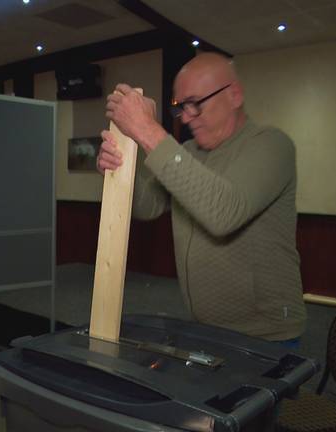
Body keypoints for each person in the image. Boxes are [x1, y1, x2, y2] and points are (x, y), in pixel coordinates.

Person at [97, 52, 306, 345]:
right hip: (204, 327)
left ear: (234, 95)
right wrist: (116, 170)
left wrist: (146, 129)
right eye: (182, 107)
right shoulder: (189, 152)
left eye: (195, 103)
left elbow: (224, 213)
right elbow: (147, 206)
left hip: (265, 335)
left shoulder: (272, 145)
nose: (186, 117)